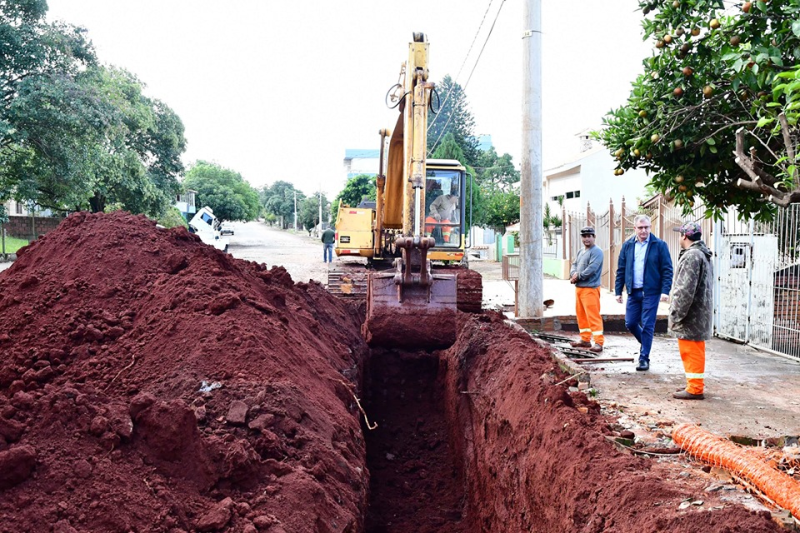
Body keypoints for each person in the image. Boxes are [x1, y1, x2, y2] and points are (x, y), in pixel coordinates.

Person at [614, 214, 673, 371]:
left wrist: (665, 290)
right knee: (631, 323)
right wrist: (618, 291)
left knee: (648, 324)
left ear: (650, 227)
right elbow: (621, 270)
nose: (643, 231)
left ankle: (644, 358)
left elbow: (667, 269)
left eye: (646, 227)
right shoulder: (627, 246)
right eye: (640, 228)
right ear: (634, 229)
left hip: (651, 292)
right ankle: (646, 343)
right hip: (633, 292)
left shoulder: (659, 245)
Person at [669, 221, 713, 400]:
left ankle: (695, 388)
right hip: (699, 313)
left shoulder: (692, 256)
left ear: (684, 236)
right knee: (695, 350)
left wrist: (676, 314)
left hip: (691, 315)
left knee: (690, 350)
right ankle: (694, 384)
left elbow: (684, 289)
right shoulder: (702, 254)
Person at [569, 226, 604, 353]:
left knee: (593, 316)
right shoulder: (580, 251)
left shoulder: (597, 252)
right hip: (579, 288)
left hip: (590, 289)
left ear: (594, 237)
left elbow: (592, 269)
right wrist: (572, 273)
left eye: (589, 236)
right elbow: (574, 264)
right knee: (581, 315)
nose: (587, 238)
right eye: (584, 236)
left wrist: (577, 276)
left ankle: (598, 342)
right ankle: (585, 339)